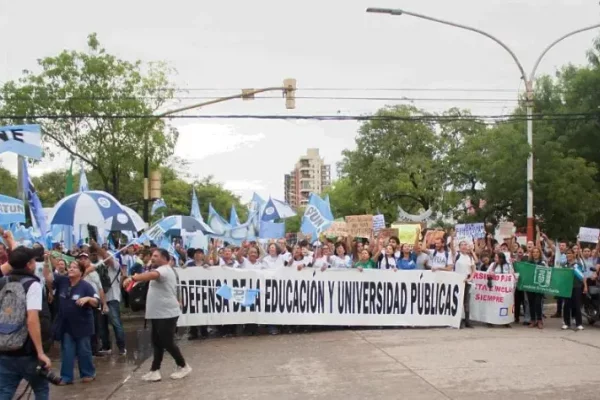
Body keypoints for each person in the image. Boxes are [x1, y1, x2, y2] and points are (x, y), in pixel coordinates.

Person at [123, 249, 191, 382]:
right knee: (157, 342)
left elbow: (151, 275)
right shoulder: (160, 269)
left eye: (156, 256)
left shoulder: (164, 270)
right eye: (152, 256)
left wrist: (133, 277)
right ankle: (155, 370)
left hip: (167, 313)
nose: (152, 258)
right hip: (158, 313)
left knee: (167, 342)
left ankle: (183, 366)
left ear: (165, 258)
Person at [0, 247, 52, 400]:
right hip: (27, 350)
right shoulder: (32, 284)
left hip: (4, 348)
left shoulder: (2, 282)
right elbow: (32, 319)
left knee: (5, 391)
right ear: (29, 264)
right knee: (41, 389)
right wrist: (40, 352)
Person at [44, 260, 99, 385]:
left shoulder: (86, 286)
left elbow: (96, 301)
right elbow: (48, 278)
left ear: (81, 272)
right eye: (70, 267)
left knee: (84, 351)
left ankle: (88, 373)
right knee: (67, 351)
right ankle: (66, 377)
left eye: (75, 267)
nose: (71, 269)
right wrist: (47, 263)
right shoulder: (63, 281)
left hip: (83, 325)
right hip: (66, 325)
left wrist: (88, 298)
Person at [562, 248, 587, 331]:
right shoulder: (564, 265)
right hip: (566, 287)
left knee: (577, 305)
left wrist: (585, 286)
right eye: (567, 254)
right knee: (566, 305)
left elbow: (582, 276)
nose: (568, 255)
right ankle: (566, 323)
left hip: (577, 286)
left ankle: (579, 323)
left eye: (569, 253)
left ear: (573, 254)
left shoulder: (578, 264)